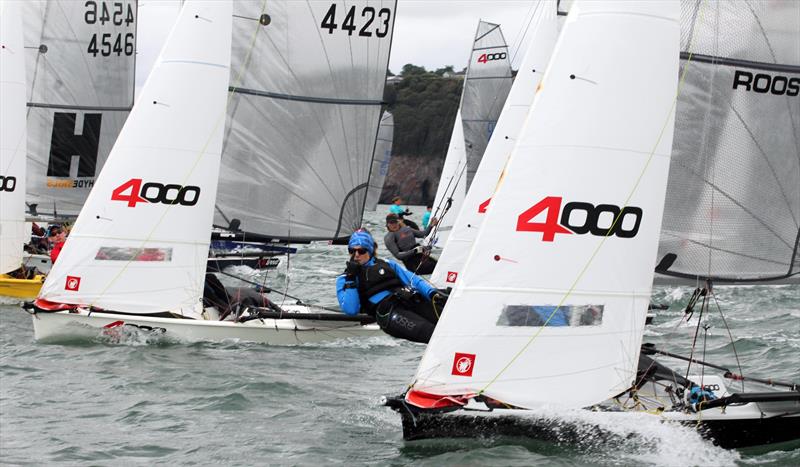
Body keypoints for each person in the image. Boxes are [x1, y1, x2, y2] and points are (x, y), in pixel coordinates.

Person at [336, 230, 448, 343]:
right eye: (352, 251)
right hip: (389, 313)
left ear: (369, 250)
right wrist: (351, 279)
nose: (356, 255)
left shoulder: (388, 264)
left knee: (450, 320)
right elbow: (351, 310)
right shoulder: (344, 279)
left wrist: (431, 293)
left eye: (361, 251)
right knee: (434, 334)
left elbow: (413, 280)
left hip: (409, 301)